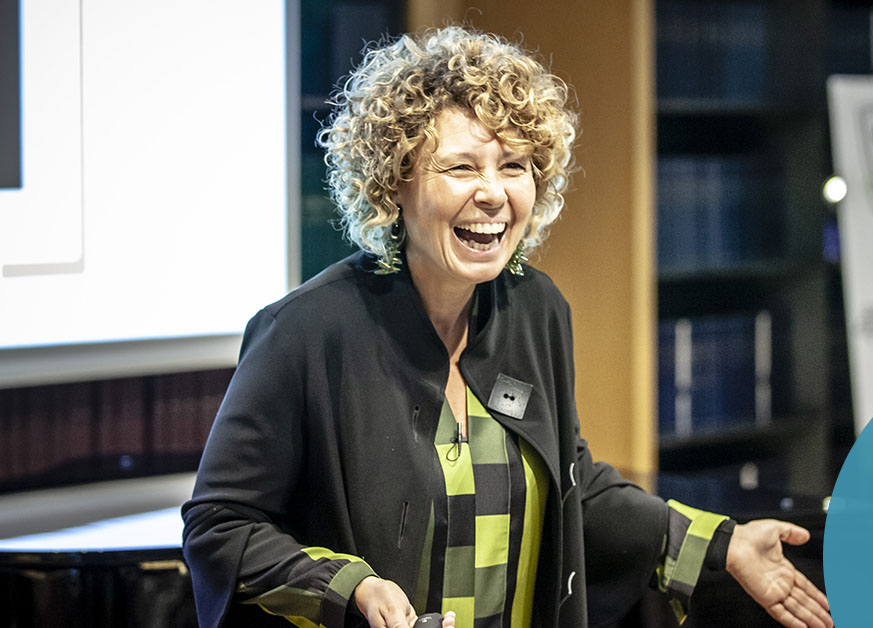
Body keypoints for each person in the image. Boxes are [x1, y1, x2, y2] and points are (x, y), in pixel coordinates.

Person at [182, 25, 833, 628]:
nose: (493, 193)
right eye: (462, 167)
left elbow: (574, 486)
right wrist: (350, 588)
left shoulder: (536, 309)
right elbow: (220, 525)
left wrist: (722, 544)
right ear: (394, 182)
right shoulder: (305, 332)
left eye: (514, 166)